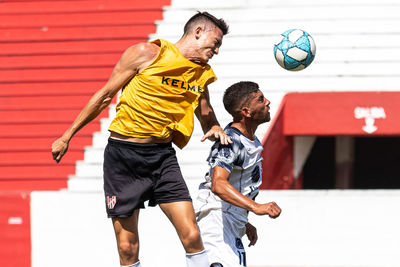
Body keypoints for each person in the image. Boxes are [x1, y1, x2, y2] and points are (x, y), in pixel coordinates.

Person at [51, 12, 231, 267]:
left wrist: (214, 126)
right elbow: (105, 95)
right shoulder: (147, 53)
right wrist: (67, 136)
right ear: (198, 32)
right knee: (127, 248)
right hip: (122, 157)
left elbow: (204, 110)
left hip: (162, 158)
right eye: (216, 42)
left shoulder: (201, 73)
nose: (217, 50)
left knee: (191, 234)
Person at [195, 81, 282, 267]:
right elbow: (218, 184)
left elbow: (237, 184)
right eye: (260, 99)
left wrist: (244, 222)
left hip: (231, 223)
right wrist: (256, 207)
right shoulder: (230, 141)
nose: (268, 102)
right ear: (246, 112)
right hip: (216, 224)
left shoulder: (250, 139)